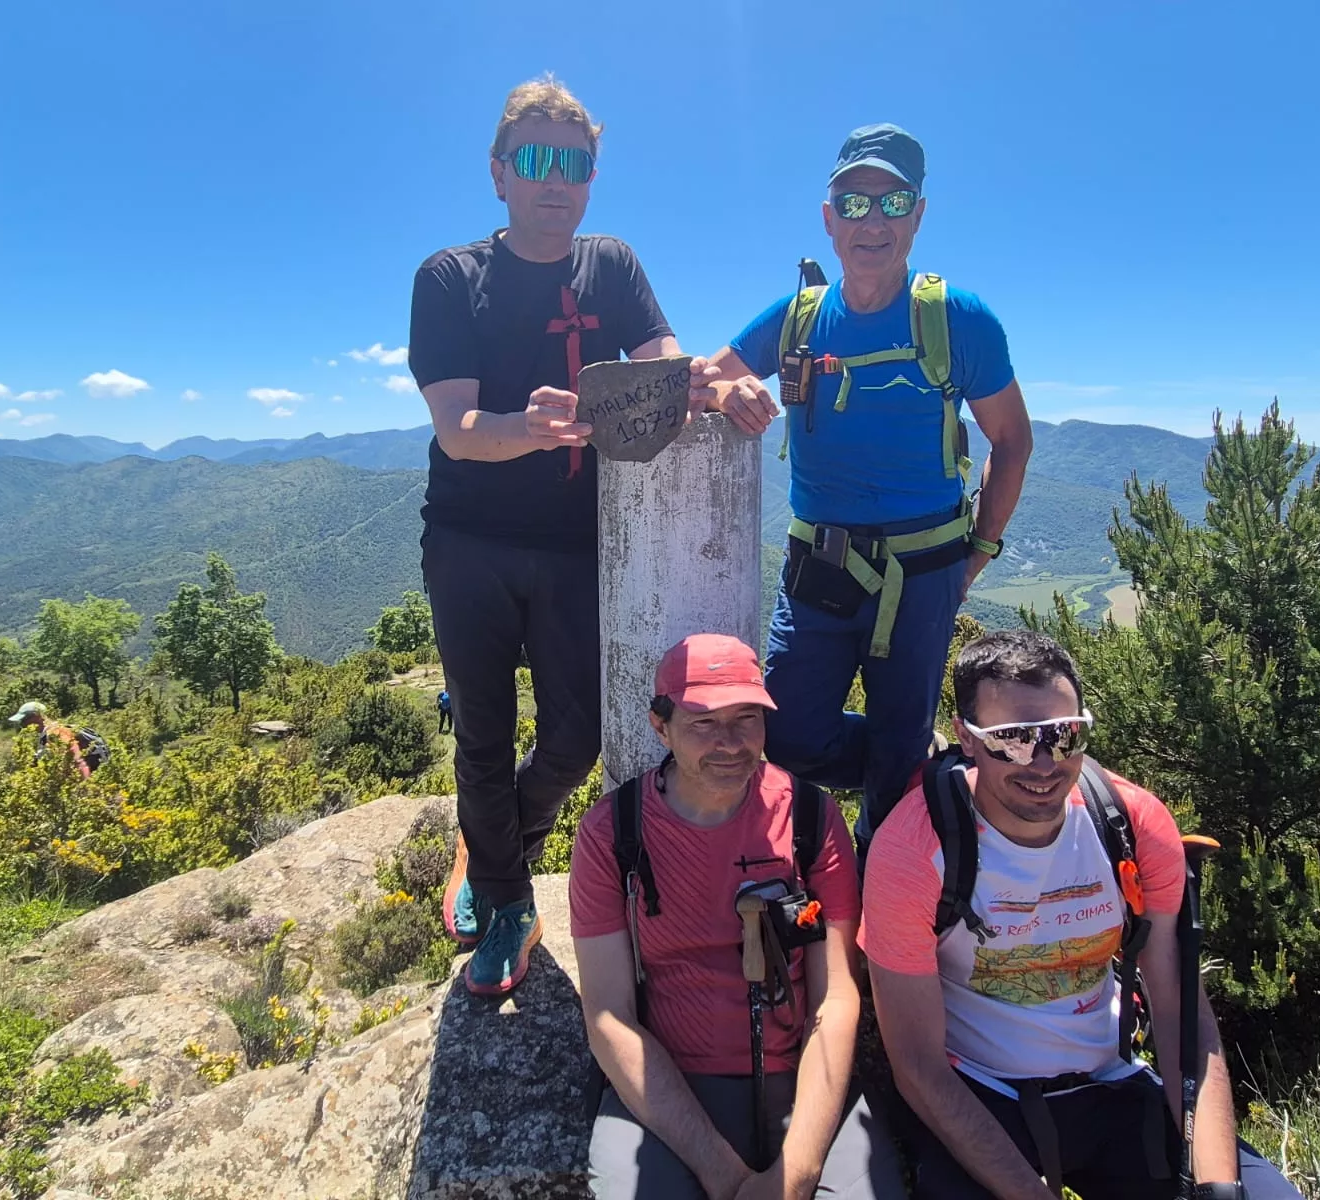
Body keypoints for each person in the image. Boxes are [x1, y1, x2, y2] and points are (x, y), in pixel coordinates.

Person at [409, 75, 697, 995]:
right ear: (498, 174)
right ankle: (506, 898)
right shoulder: (452, 278)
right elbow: (456, 429)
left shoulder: (611, 267)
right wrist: (525, 427)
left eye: (573, 162)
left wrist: (709, 387)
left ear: (592, 176)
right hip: (472, 540)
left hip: (578, 544)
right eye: (533, 160)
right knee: (484, 734)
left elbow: (664, 369)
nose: (554, 179)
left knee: (574, 739)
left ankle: (494, 842)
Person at [861, 630, 1302, 1200]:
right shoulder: (916, 851)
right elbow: (919, 1068)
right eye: (1013, 740)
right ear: (968, 739)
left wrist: (1218, 1185)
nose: (1043, 763)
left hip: (1113, 1084)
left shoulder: (1130, 823)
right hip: (981, 1095)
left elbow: (1180, 1014)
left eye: (1065, 736)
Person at [692, 123, 1033, 856]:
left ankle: (883, 890)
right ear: (828, 218)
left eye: (892, 201)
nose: (871, 221)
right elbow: (707, 375)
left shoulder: (956, 319)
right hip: (821, 564)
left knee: (898, 754)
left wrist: (979, 551)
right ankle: (913, 772)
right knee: (786, 733)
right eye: (853, 203)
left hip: (926, 569)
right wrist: (728, 395)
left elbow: (1013, 440)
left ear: (918, 214)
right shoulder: (800, 317)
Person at [570, 633, 904, 1200]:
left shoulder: (808, 818)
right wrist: (723, 1176)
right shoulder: (614, 835)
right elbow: (608, 1014)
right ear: (661, 725)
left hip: (802, 1079)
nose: (729, 744)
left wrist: (795, 1174)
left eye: (747, 718)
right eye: (702, 722)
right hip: (671, 1090)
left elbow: (836, 997)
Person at [8, 700, 93, 779]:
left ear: (37, 716)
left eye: (24, 720)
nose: (23, 724)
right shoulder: (44, 735)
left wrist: (85, 788)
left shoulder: (55, 731)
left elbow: (77, 758)